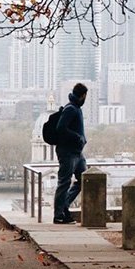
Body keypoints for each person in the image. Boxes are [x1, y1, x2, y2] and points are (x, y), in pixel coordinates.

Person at [52, 83, 88, 225]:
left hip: (77, 153)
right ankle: (59, 215)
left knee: (83, 180)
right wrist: (78, 137)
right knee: (64, 182)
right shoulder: (71, 109)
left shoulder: (75, 108)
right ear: (83, 95)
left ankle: (64, 207)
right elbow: (61, 128)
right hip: (68, 152)